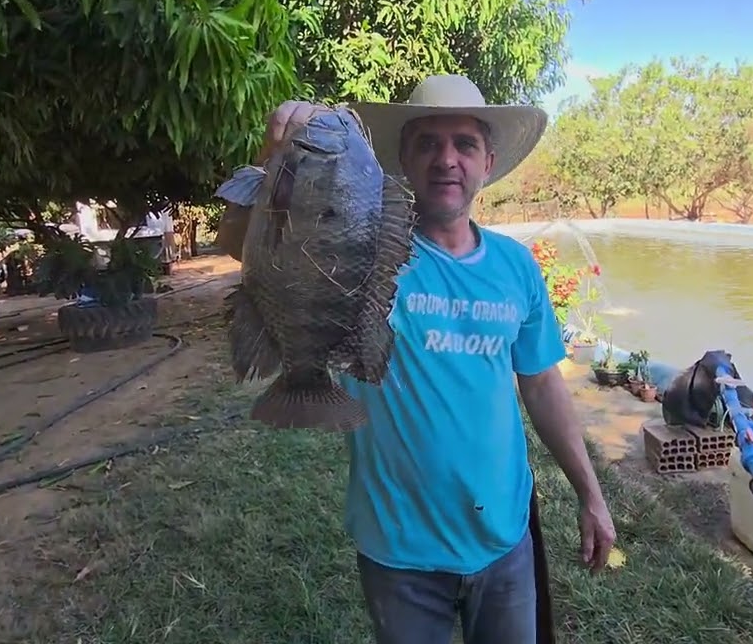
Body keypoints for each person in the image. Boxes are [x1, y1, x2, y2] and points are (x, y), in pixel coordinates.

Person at [222, 74, 616, 644]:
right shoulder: (366, 250)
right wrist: (279, 163)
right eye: (427, 143)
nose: (446, 159)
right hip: (398, 549)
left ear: (488, 162)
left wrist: (591, 494)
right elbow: (246, 241)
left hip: (504, 538)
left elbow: (540, 383)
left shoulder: (517, 265)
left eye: (464, 144)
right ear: (402, 160)